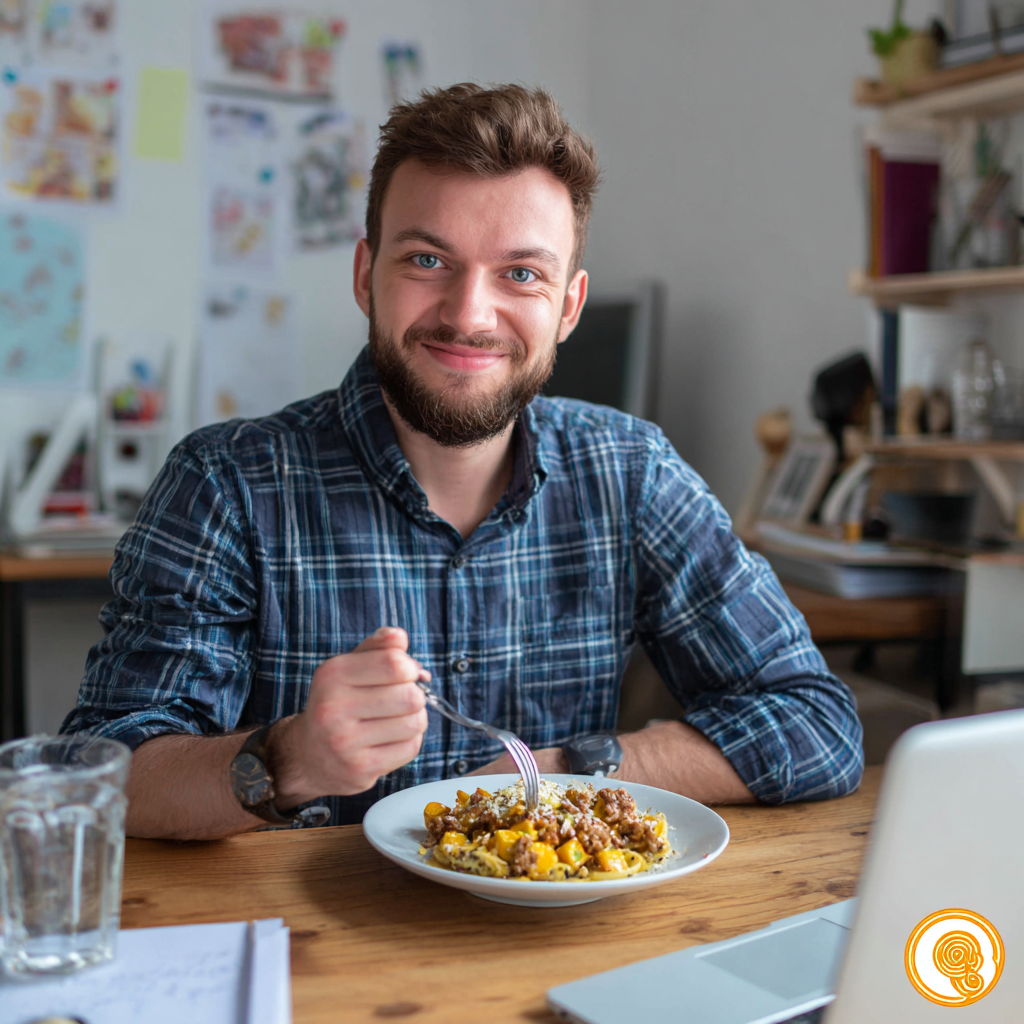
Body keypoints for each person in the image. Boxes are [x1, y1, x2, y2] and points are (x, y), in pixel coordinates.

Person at [62, 83, 863, 840]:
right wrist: (291, 759)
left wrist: (570, 772)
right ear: (364, 276)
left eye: (520, 273)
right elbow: (103, 777)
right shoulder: (225, 483)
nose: (468, 314)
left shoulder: (633, 473)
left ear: (568, 307)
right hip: (310, 958)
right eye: (426, 260)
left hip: (559, 949)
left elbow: (816, 723)